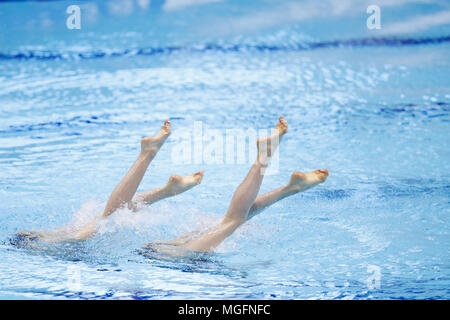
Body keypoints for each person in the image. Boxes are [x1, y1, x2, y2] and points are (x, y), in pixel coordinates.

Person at [13, 116, 328, 254]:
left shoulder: (63, 242)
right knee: (232, 221)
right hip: (165, 252)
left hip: (168, 256)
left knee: (111, 218)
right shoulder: (61, 235)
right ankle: (287, 185)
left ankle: (267, 161)